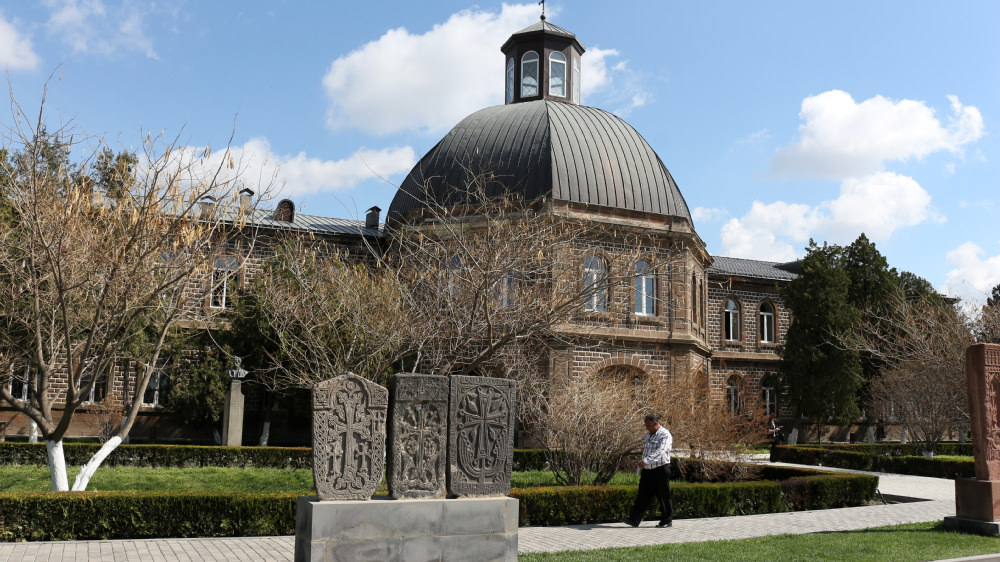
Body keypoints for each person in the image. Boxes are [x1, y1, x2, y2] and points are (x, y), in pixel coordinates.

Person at [623, 413, 673, 528]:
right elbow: (646, 451)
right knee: (642, 495)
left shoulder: (665, 435)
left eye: (648, 425)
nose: (646, 427)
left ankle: (667, 520)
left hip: (660, 470)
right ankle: (634, 519)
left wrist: (647, 460)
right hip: (647, 470)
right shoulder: (648, 435)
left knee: (663, 496)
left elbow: (661, 451)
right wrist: (642, 462)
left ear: (655, 424)